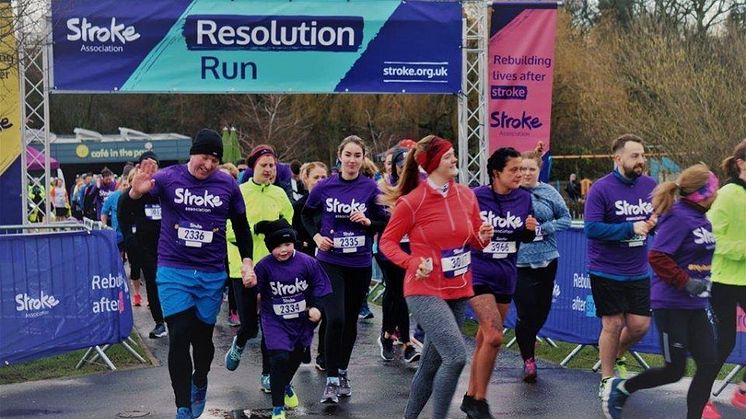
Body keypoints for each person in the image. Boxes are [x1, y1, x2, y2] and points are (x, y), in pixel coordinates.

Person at [125, 128, 255, 419]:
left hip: (210, 273)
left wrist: (247, 261)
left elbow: (242, 226)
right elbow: (129, 205)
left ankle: (200, 379)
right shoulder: (168, 178)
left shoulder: (227, 184)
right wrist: (134, 192)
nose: (207, 164)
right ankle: (182, 405)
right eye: (204, 157)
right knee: (179, 335)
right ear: (191, 154)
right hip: (174, 269)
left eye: (214, 160)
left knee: (202, 341)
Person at [380, 135, 493, 419]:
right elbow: (387, 243)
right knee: (455, 357)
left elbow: (476, 240)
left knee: (430, 365)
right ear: (431, 165)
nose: (454, 159)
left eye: (454, 154)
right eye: (448, 156)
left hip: (458, 287)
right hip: (423, 289)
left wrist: (483, 238)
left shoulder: (467, 195)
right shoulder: (413, 202)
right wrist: (412, 261)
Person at [602, 164, 721, 419]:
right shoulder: (678, 216)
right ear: (703, 193)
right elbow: (657, 256)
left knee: (709, 362)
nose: (718, 194)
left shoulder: (701, 218)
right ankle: (622, 388)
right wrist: (685, 282)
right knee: (674, 370)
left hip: (696, 305)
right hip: (672, 304)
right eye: (715, 189)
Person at [301, 135, 386, 404]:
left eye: (357, 155)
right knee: (335, 318)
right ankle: (331, 379)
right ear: (339, 157)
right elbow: (305, 215)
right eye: (347, 154)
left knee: (350, 321)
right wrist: (315, 237)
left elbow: (384, 221)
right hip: (330, 262)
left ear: (363, 159)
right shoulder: (325, 187)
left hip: (359, 264)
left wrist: (368, 220)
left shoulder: (371, 188)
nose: (352, 160)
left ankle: (343, 371)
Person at [461, 147, 537, 419]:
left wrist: (530, 231)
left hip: (506, 272)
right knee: (494, 335)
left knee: (485, 336)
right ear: (496, 173)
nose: (520, 174)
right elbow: (460, 232)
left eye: (523, 169)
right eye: (514, 170)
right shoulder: (475, 197)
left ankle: (470, 395)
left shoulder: (524, 198)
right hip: (478, 270)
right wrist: (477, 232)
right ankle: (480, 401)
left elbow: (523, 236)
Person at [584, 134, 658, 397]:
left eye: (643, 155)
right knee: (612, 324)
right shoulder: (601, 189)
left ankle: (615, 353)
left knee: (640, 325)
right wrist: (630, 228)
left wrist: (653, 225)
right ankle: (607, 378)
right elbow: (591, 228)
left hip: (637, 269)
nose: (641, 160)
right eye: (635, 156)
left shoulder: (650, 185)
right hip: (606, 268)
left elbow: (655, 219)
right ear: (617, 158)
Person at [224, 145, 294, 395]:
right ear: (253, 167)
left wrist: (278, 230)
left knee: (271, 325)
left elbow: (289, 228)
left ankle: (267, 375)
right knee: (251, 326)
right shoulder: (239, 192)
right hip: (242, 266)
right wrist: (254, 230)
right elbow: (228, 230)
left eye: (272, 165)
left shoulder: (280, 194)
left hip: (272, 268)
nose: (268, 170)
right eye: (264, 165)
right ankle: (239, 342)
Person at [253, 218, 331, 419]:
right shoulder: (263, 267)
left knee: (297, 356)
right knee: (279, 358)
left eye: (287, 244)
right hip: (275, 320)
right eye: (277, 246)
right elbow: (254, 292)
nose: (283, 250)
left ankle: (285, 382)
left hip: (302, 321)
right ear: (270, 247)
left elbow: (320, 288)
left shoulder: (308, 263)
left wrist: (317, 308)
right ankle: (278, 408)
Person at [514, 151, 571, 383]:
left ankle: (528, 337)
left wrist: (543, 228)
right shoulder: (511, 194)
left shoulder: (549, 192)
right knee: (526, 309)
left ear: (539, 171)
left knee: (542, 310)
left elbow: (566, 219)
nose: (527, 173)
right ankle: (529, 359)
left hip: (547, 259)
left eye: (532, 169)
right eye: (523, 169)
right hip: (519, 262)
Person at [708, 138, 746, 412]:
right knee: (725, 342)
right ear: (741, 163)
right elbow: (709, 237)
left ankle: (743, 391)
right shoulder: (727, 194)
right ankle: (699, 399)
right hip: (723, 279)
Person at [376, 147, 420, 363]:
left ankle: (388, 335)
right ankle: (406, 343)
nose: (404, 171)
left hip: (411, 248)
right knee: (396, 292)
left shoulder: (418, 186)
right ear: (394, 167)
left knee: (401, 293)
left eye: (407, 167)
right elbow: (376, 217)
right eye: (401, 167)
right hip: (388, 249)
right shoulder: (384, 186)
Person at [119, 151, 167, 338]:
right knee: (153, 283)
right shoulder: (133, 193)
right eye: (146, 165)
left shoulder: (163, 189)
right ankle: (159, 322)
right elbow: (122, 214)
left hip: (168, 246)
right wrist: (135, 192)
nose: (150, 169)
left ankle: (177, 320)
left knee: (171, 284)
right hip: (145, 247)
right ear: (138, 168)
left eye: (154, 165)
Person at [291, 161, 329, 369]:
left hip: (330, 265)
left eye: (324, 177)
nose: (321, 181)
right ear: (305, 180)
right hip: (306, 266)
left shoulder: (332, 204)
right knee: (311, 311)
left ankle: (323, 354)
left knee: (327, 311)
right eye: (316, 177)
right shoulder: (298, 207)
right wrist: (306, 243)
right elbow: (293, 236)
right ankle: (304, 342)